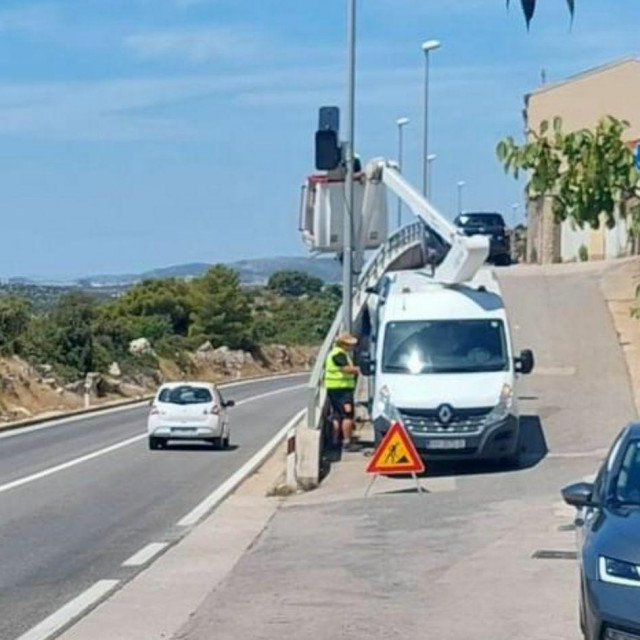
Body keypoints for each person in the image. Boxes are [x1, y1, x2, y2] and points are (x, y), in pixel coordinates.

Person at [324, 332, 361, 450]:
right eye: (349, 344)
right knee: (347, 415)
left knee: (337, 415)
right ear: (343, 344)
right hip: (342, 389)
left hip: (335, 388)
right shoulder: (339, 354)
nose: (351, 347)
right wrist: (358, 369)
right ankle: (347, 442)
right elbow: (346, 369)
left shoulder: (335, 353)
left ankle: (335, 442)